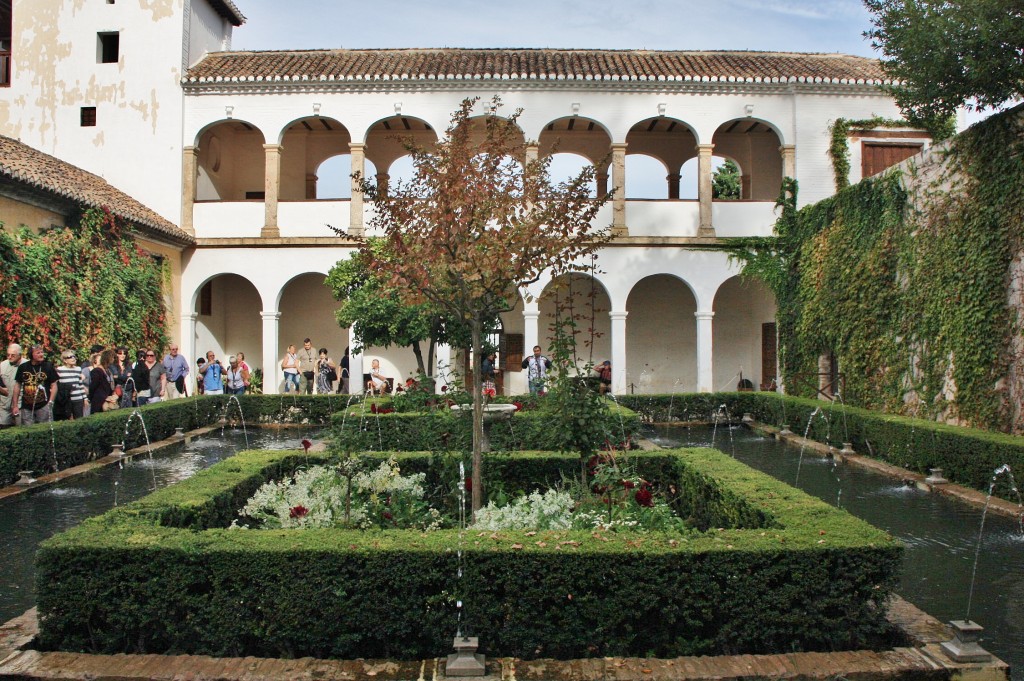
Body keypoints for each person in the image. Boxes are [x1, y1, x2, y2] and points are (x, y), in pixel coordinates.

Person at [11, 345, 59, 425]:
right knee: (28, 431)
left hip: (44, 405)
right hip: (26, 406)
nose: (41, 354)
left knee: (45, 429)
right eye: (38, 353)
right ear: (31, 355)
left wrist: (50, 402)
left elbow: (54, 385)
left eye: (42, 352)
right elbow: (17, 386)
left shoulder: (48, 366)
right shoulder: (23, 367)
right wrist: (15, 405)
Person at [53, 350, 88, 420]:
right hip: (66, 400)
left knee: (79, 419)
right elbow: (56, 384)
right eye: (70, 357)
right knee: (66, 419)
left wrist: (85, 398)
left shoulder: (78, 369)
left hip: (78, 399)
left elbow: (80, 384)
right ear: (65, 360)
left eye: (74, 356)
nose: (73, 358)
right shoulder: (59, 370)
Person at [0, 343, 24, 428]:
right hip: (5, 404)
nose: (9, 357)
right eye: (8, 355)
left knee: (20, 429)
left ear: (20, 355)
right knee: (4, 429)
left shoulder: (27, 365)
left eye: (13, 355)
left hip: (20, 404)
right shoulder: (2, 365)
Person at [89, 350, 115, 414]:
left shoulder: (108, 370)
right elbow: (93, 387)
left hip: (108, 400)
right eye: (113, 357)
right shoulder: (97, 371)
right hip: (99, 402)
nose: (114, 359)